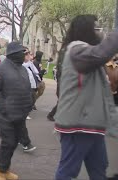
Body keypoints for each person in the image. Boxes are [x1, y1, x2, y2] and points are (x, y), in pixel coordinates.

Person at [54, 15, 118, 180]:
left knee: (99, 168)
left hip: (92, 124)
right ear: (87, 31)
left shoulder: (87, 53)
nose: (101, 32)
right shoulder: (77, 49)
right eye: (97, 28)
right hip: (78, 124)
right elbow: (102, 53)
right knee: (67, 171)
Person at [0, 42, 33, 180]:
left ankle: (5, 168)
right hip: (5, 114)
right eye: (22, 52)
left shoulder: (23, 69)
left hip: (20, 112)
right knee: (8, 141)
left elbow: (27, 88)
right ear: (14, 54)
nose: (24, 55)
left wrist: (28, 105)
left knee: (14, 142)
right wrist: (4, 109)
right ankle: (1, 170)